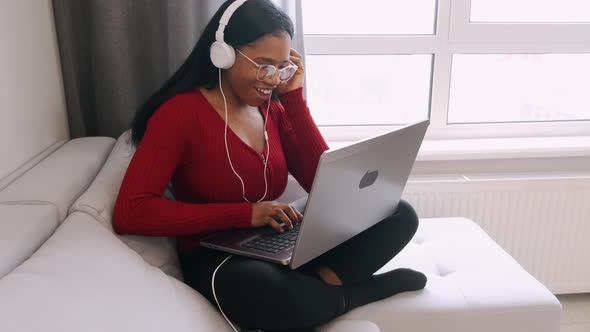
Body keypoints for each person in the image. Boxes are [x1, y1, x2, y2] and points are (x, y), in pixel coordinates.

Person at [113, 0, 427, 331]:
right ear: (224, 53)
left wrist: (294, 99)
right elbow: (131, 211)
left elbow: (320, 183)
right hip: (217, 255)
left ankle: (317, 291)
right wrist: (246, 213)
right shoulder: (179, 114)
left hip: (276, 235)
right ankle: (352, 294)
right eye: (263, 65)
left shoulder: (271, 110)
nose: (273, 79)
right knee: (266, 289)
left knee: (396, 212)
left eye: (282, 67)